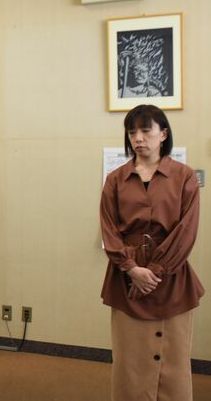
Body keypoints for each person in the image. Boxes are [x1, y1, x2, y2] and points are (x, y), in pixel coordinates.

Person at [100, 104, 204, 401]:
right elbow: (109, 228)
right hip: (126, 278)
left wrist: (155, 272)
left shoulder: (184, 177)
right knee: (129, 359)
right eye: (132, 132)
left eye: (146, 130)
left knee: (174, 359)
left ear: (163, 134)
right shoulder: (115, 180)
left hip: (172, 277)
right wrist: (132, 268)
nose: (138, 138)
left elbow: (186, 230)